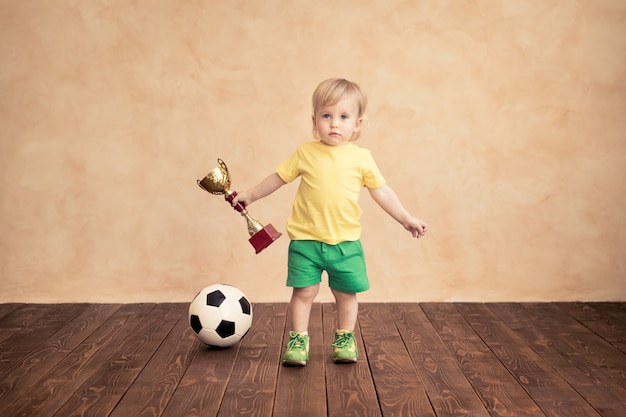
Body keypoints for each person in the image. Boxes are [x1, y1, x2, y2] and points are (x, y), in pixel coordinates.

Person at [230, 78, 428, 366]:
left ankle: (345, 338)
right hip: (306, 241)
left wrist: (406, 218)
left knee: (346, 295)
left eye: (343, 117)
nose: (334, 124)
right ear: (314, 121)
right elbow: (278, 178)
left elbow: (382, 191)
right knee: (304, 293)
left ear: (357, 124)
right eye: (327, 116)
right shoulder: (306, 153)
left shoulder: (361, 158)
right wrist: (250, 194)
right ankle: (298, 340)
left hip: (345, 243)